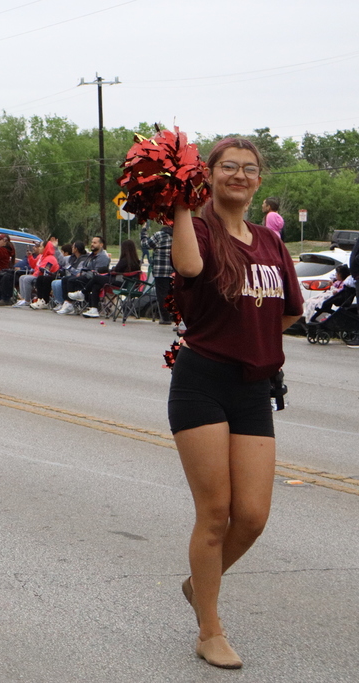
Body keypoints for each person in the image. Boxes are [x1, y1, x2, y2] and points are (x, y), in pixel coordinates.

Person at [169, 138, 303, 669]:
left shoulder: (271, 245)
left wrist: (255, 335)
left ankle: (197, 584)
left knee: (252, 516)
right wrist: (181, 203)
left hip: (253, 388)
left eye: (249, 169)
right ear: (211, 175)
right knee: (217, 513)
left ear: (259, 181)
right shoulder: (198, 229)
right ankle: (210, 629)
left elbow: (289, 311)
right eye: (229, 167)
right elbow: (190, 268)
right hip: (202, 380)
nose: (240, 176)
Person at [81, 239, 140, 318]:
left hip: (120, 283)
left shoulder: (124, 260)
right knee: (96, 285)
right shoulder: (136, 262)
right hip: (128, 284)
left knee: (96, 277)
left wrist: (111, 270)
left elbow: (117, 270)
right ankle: (93, 309)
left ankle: (83, 293)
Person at [141, 221, 174, 324]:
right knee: (173, 293)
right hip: (175, 270)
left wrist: (144, 232)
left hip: (161, 270)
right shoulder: (178, 235)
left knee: (162, 294)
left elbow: (145, 244)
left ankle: (165, 317)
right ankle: (175, 315)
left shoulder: (160, 235)